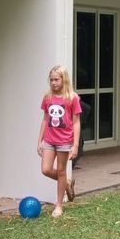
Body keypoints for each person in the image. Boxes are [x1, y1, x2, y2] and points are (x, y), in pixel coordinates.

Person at [36, 65, 82, 217]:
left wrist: (75, 145)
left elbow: (76, 122)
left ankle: (59, 205)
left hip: (64, 141)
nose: (54, 83)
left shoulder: (72, 98)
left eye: (56, 79)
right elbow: (45, 119)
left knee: (61, 170)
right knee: (46, 169)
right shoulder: (48, 97)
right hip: (49, 140)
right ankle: (67, 182)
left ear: (64, 79)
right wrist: (39, 141)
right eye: (51, 80)